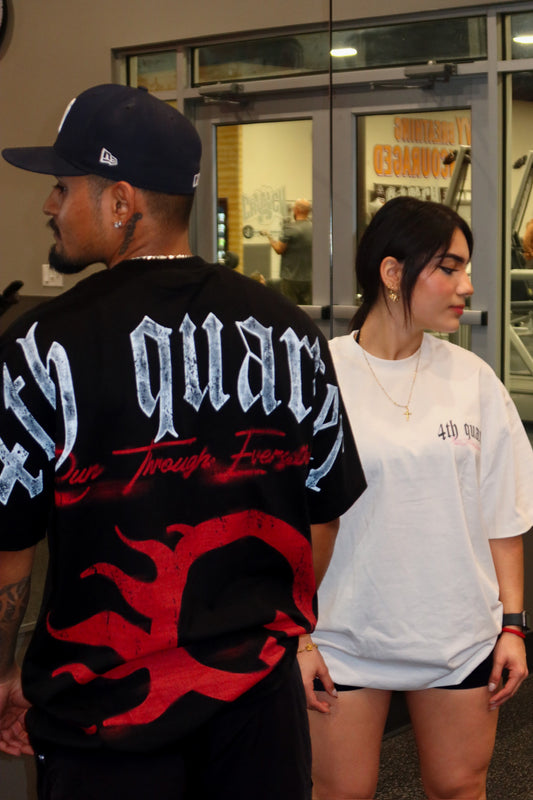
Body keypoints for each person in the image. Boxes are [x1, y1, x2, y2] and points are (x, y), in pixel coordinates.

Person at [0, 84, 366, 800]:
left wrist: (6, 670)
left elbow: (10, 546)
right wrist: (268, 631)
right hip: (259, 712)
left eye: (63, 186)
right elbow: (321, 517)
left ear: (121, 202)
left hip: (106, 721)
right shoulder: (291, 332)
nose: (49, 204)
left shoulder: (41, 348)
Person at [297, 196, 533, 800]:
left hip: (457, 636)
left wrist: (512, 626)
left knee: (459, 787)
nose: (467, 286)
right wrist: (297, 638)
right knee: (341, 793)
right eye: (449, 268)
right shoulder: (322, 375)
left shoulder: (474, 380)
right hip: (343, 634)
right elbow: (287, 521)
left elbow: (502, 515)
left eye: (466, 269)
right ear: (392, 272)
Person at [261, 198, 312, 305]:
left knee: (290, 310)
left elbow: (279, 249)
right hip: (310, 278)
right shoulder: (314, 228)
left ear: (296, 210)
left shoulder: (290, 228)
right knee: (309, 310)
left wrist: (269, 237)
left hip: (291, 278)